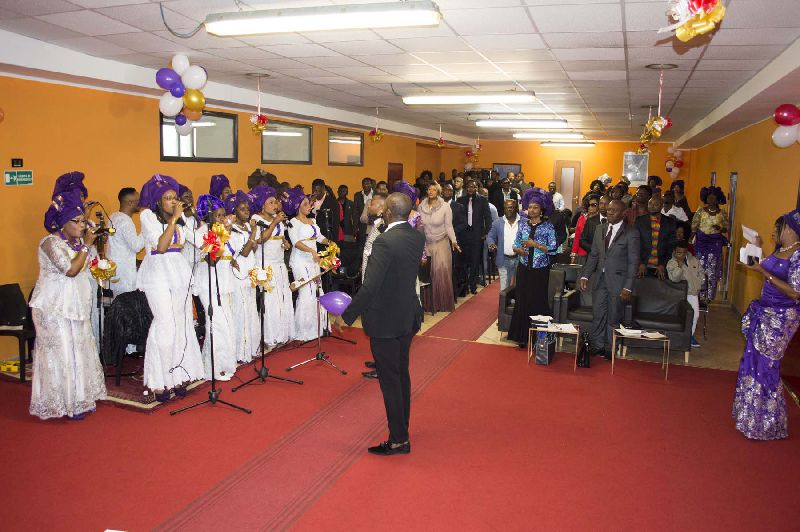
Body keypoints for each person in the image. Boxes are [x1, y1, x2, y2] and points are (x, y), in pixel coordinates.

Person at [337, 192, 426, 456]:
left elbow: (370, 286)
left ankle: (398, 439)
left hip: (386, 320)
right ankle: (402, 429)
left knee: (390, 381)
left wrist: (346, 315)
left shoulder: (384, 241)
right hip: (407, 315)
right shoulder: (416, 236)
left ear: (388, 212)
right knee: (401, 375)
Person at [29, 190, 107, 420]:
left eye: (83, 220)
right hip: (53, 307)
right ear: (63, 222)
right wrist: (87, 245)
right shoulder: (50, 243)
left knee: (79, 350)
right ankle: (62, 403)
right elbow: (70, 270)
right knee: (61, 353)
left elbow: (89, 265)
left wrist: (94, 246)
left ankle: (80, 398)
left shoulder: (78, 243)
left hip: (76, 304)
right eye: (78, 221)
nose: (83, 225)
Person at [733, 210, 800, 440]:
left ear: (789, 228)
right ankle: (750, 416)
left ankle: (768, 422)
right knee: (753, 360)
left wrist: (763, 271)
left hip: (782, 317)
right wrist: (755, 254)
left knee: (767, 364)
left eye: (777, 228)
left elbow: (795, 292)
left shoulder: (798, 255)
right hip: (764, 310)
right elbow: (771, 272)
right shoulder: (781, 250)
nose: (773, 232)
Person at [137, 174, 204, 402]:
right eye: (168, 198)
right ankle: (159, 380)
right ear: (157, 201)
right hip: (157, 275)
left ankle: (178, 374)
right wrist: (174, 219)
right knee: (165, 324)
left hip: (178, 274)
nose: (174, 201)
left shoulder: (181, 217)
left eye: (175, 197)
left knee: (181, 324)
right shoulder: (148, 216)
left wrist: (214, 239)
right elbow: (162, 246)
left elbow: (198, 241)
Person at [579, 199, 640, 358]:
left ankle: (610, 347)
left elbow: (633, 262)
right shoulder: (600, 229)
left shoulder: (631, 233)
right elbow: (594, 255)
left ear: (623, 213)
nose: (609, 212)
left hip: (619, 282)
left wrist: (628, 286)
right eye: (609, 209)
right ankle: (597, 345)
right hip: (600, 280)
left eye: (614, 210)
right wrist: (585, 275)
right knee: (598, 314)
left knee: (614, 317)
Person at [193, 194, 238, 381]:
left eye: (223, 215)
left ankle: (219, 364)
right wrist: (222, 236)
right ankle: (214, 368)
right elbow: (212, 260)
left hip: (223, 283)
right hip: (208, 283)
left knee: (226, 323)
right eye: (218, 215)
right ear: (208, 215)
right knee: (217, 324)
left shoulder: (221, 232)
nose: (221, 218)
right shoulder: (201, 233)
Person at [507, 188, 557, 348]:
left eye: (535, 207)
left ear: (541, 210)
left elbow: (553, 248)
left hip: (540, 270)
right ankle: (522, 337)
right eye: (530, 207)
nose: (532, 210)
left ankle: (539, 339)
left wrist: (534, 244)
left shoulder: (548, 227)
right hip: (523, 269)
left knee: (537, 301)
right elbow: (515, 245)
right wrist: (519, 250)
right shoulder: (523, 225)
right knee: (522, 300)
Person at [286, 188, 331, 342]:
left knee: (317, 290)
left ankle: (317, 327)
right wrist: (311, 251)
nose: (309, 206)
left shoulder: (313, 221)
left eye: (310, 204)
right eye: (305, 204)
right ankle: (304, 330)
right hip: (300, 260)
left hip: (314, 260)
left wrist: (329, 242)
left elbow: (319, 237)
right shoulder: (293, 222)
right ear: (298, 206)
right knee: (306, 291)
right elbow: (296, 242)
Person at [251, 185, 294, 346]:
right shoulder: (257, 219)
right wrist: (275, 222)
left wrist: (284, 243)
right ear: (262, 205)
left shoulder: (278, 220)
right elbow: (261, 239)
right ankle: (270, 336)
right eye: (271, 202)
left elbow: (279, 237)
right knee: (270, 302)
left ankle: (283, 334)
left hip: (279, 264)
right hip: (265, 265)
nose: (275, 205)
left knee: (283, 298)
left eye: (276, 202)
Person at [226, 190, 261, 363]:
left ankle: (252, 347)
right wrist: (253, 234)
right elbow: (245, 252)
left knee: (251, 308)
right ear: (234, 211)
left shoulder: (247, 227)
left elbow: (253, 248)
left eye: (247, 208)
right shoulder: (231, 230)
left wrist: (252, 237)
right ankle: (241, 351)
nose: (246, 211)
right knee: (240, 311)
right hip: (238, 273)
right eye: (242, 209)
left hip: (250, 270)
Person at [418, 182, 460, 312]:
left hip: (442, 243)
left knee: (441, 272)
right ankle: (428, 305)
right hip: (426, 244)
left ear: (438, 192)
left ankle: (442, 304)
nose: (431, 191)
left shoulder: (445, 206)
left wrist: (454, 241)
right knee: (428, 273)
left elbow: (449, 226)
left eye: (434, 189)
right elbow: (419, 226)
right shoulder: (421, 206)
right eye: (429, 189)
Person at [692, 186, 728, 300]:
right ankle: (698, 296)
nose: (711, 200)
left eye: (713, 198)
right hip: (701, 244)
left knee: (712, 271)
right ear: (705, 199)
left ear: (717, 200)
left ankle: (709, 297)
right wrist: (690, 240)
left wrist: (720, 228)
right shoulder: (700, 211)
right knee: (700, 269)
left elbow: (726, 228)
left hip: (715, 245)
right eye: (709, 198)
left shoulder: (722, 213)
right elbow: (694, 226)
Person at [457, 179, 493, 294]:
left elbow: (488, 218)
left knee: (475, 261)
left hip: (477, 236)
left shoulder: (483, 200)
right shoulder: (460, 200)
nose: (471, 189)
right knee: (463, 262)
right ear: (466, 188)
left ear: (477, 188)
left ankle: (473, 286)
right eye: (469, 186)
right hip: (463, 235)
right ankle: (464, 287)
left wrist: (486, 233)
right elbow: (457, 218)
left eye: (473, 187)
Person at [107, 187, 143, 297]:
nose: (141, 203)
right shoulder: (125, 221)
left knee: (117, 304)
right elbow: (136, 246)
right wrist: (147, 230)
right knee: (125, 306)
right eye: (138, 200)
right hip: (124, 275)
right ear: (130, 203)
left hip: (115, 272)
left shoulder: (113, 216)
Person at [667, 240, 703, 348]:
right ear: (674, 252)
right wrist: (679, 266)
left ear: (687, 251)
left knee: (695, 315)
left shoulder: (693, 260)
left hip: (693, 293)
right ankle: (680, 337)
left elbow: (701, 272)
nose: (681, 255)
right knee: (683, 316)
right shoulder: (671, 263)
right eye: (679, 252)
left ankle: (689, 337)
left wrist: (700, 282)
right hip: (679, 294)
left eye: (684, 252)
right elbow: (674, 278)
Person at [635, 195, 677, 279]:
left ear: (662, 206)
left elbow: (671, 247)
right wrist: (641, 263)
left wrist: (663, 264)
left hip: (661, 267)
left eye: (656, 204)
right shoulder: (639, 221)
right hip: (642, 266)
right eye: (650, 203)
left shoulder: (670, 222)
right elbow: (635, 244)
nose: (652, 206)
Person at [488, 199, 521, 291]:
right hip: (503, 259)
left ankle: (516, 301)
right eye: (506, 208)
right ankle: (504, 301)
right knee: (504, 289)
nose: (508, 210)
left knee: (519, 288)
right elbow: (490, 236)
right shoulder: (497, 223)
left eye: (511, 207)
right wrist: (491, 243)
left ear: (516, 208)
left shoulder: (524, 222)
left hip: (520, 259)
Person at [361, 192, 388, 281]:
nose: (369, 206)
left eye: (372, 204)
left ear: (381, 209)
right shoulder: (377, 224)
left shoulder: (384, 229)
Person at [571, 194, 599, 264]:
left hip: (597, 254)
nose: (590, 207)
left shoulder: (603, 220)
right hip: (582, 254)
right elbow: (577, 237)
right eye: (588, 205)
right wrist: (573, 254)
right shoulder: (581, 218)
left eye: (594, 205)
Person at [310, 178, 340, 243]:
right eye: (313, 191)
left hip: (326, 238)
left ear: (324, 189)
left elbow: (335, 224)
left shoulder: (332, 202)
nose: (315, 193)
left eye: (318, 191)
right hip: (311, 238)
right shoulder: (308, 200)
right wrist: (310, 204)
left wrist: (334, 242)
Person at [354, 177, 373, 247]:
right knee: (362, 244)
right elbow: (355, 211)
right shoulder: (357, 195)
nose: (366, 185)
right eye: (364, 184)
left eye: (368, 183)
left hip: (373, 224)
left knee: (372, 243)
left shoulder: (376, 194)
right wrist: (355, 226)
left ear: (371, 185)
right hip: (362, 224)